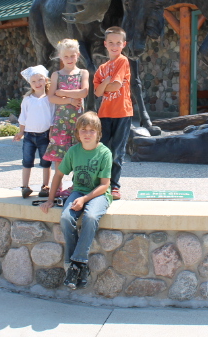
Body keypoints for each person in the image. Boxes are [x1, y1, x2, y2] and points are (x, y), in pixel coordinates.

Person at [40, 111, 112, 290]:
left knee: (91, 217)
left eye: (92, 130)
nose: (87, 134)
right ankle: (78, 266)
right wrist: (50, 199)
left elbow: (104, 185)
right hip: (78, 190)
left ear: (98, 133)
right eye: (83, 130)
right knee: (66, 218)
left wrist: (84, 199)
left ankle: (75, 264)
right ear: (77, 133)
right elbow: (58, 175)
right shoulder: (73, 151)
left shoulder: (104, 153)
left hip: (99, 194)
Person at [93, 26, 133, 200]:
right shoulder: (102, 68)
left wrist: (104, 85)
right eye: (111, 43)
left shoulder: (122, 61)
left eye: (118, 43)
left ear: (124, 44)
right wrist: (104, 84)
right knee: (102, 149)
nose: (114, 46)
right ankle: (102, 183)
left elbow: (116, 86)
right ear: (105, 44)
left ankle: (115, 185)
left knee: (117, 151)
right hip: (104, 113)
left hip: (122, 112)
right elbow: (97, 92)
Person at [43, 39, 88, 165]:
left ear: (78, 55)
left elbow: (84, 92)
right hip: (61, 121)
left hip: (78, 120)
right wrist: (70, 100)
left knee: (79, 154)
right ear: (60, 57)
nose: (69, 59)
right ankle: (59, 178)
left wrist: (62, 92)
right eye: (66, 56)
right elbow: (51, 97)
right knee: (59, 155)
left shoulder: (83, 73)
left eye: (72, 56)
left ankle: (77, 178)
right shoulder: (56, 75)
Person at [13, 65, 54, 199]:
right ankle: (25, 186)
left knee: (46, 162)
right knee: (27, 161)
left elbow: (52, 116)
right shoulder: (27, 99)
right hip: (29, 136)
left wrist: (52, 132)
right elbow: (23, 117)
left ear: (46, 80)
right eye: (34, 81)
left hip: (44, 135)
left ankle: (45, 186)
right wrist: (21, 132)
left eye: (40, 80)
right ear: (30, 83)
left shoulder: (49, 99)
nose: (37, 83)